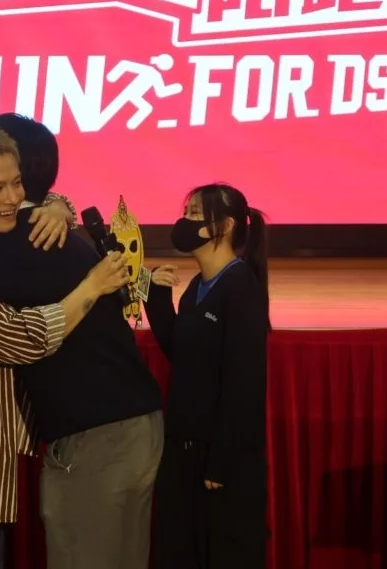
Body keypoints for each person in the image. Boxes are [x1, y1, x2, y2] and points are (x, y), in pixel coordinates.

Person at [0, 114, 164, 569]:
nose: (13, 198)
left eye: (16, 183)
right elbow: (15, 335)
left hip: (97, 437)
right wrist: (90, 284)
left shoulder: (24, 237)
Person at [143, 183, 271, 569]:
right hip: (183, 448)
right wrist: (156, 296)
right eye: (187, 212)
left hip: (220, 459)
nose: (185, 222)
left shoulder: (241, 288)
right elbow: (183, 354)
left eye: (196, 214)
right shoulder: (197, 286)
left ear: (225, 226)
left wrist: (222, 460)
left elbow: (244, 382)